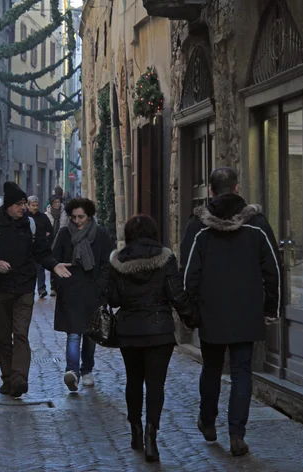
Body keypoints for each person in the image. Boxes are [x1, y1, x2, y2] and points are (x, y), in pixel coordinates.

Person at [176, 167, 281, 457]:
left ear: (210, 191)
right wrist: (271, 308)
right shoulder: (256, 223)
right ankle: (237, 434)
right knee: (242, 371)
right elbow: (273, 269)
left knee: (211, 368)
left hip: (212, 310)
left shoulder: (199, 226)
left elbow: (188, 273)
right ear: (236, 188)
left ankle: (208, 422)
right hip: (247, 310)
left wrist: (189, 311)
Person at [107, 214, 194, 463]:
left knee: (133, 380)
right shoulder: (165, 258)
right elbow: (175, 293)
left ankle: (135, 429)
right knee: (155, 385)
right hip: (159, 330)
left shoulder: (118, 260)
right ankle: (150, 436)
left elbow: (112, 298)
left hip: (129, 330)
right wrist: (191, 318)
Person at [0, 182, 71, 398]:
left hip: (25, 288)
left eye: (25, 203)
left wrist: (54, 265)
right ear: (8, 205)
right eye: (19, 204)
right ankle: (7, 378)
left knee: (21, 335)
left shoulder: (31, 226)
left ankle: (19, 379)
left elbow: (42, 253)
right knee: (3, 337)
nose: (23, 207)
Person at [52, 197, 113, 392]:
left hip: (93, 292)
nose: (77, 221)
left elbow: (107, 263)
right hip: (70, 291)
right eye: (74, 217)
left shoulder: (101, 235)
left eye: (81, 217)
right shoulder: (63, 234)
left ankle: (87, 369)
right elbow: (54, 261)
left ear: (89, 216)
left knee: (90, 335)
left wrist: (101, 286)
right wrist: (59, 284)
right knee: (73, 334)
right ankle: (72, 372)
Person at [27, 195, 54, 298]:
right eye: (33, 205)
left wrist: (46, 241)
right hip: (27, 249)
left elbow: (50, 230)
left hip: (40, 248)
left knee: (40, 269)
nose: (35, 207)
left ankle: (41, 289)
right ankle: (29, 290)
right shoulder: (24, 217)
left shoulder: (42, 217)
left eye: (36, 205)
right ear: (28, 205)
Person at [46, 194, 68, 296]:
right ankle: (53, 287)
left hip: (62, 241)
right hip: (51, 242)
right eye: (55, 202)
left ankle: (62, 285)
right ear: (51, 203)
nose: (57, 204)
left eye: (58, 202)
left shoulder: (65, 213)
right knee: (53, 264)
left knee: (62, 263)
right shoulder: (47, 214)